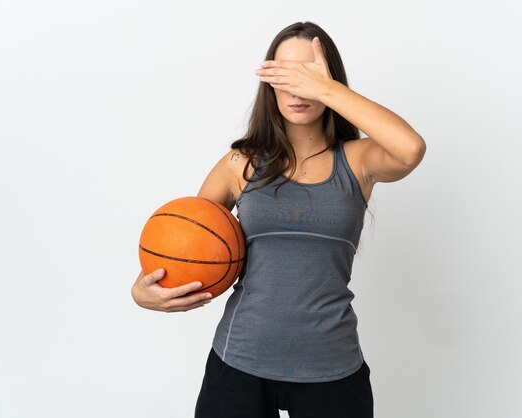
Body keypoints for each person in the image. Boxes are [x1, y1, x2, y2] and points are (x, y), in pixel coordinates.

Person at [131, 21, 426, 418]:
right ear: (269, 82)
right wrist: (143, 292)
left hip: (332, 367)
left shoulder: (358, 161)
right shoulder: (241, 163)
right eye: (285, 76)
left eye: (308, 75)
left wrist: (326, 89)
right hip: (238, 362)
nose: (297, 88)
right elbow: (185, 246)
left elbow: (411, 148)